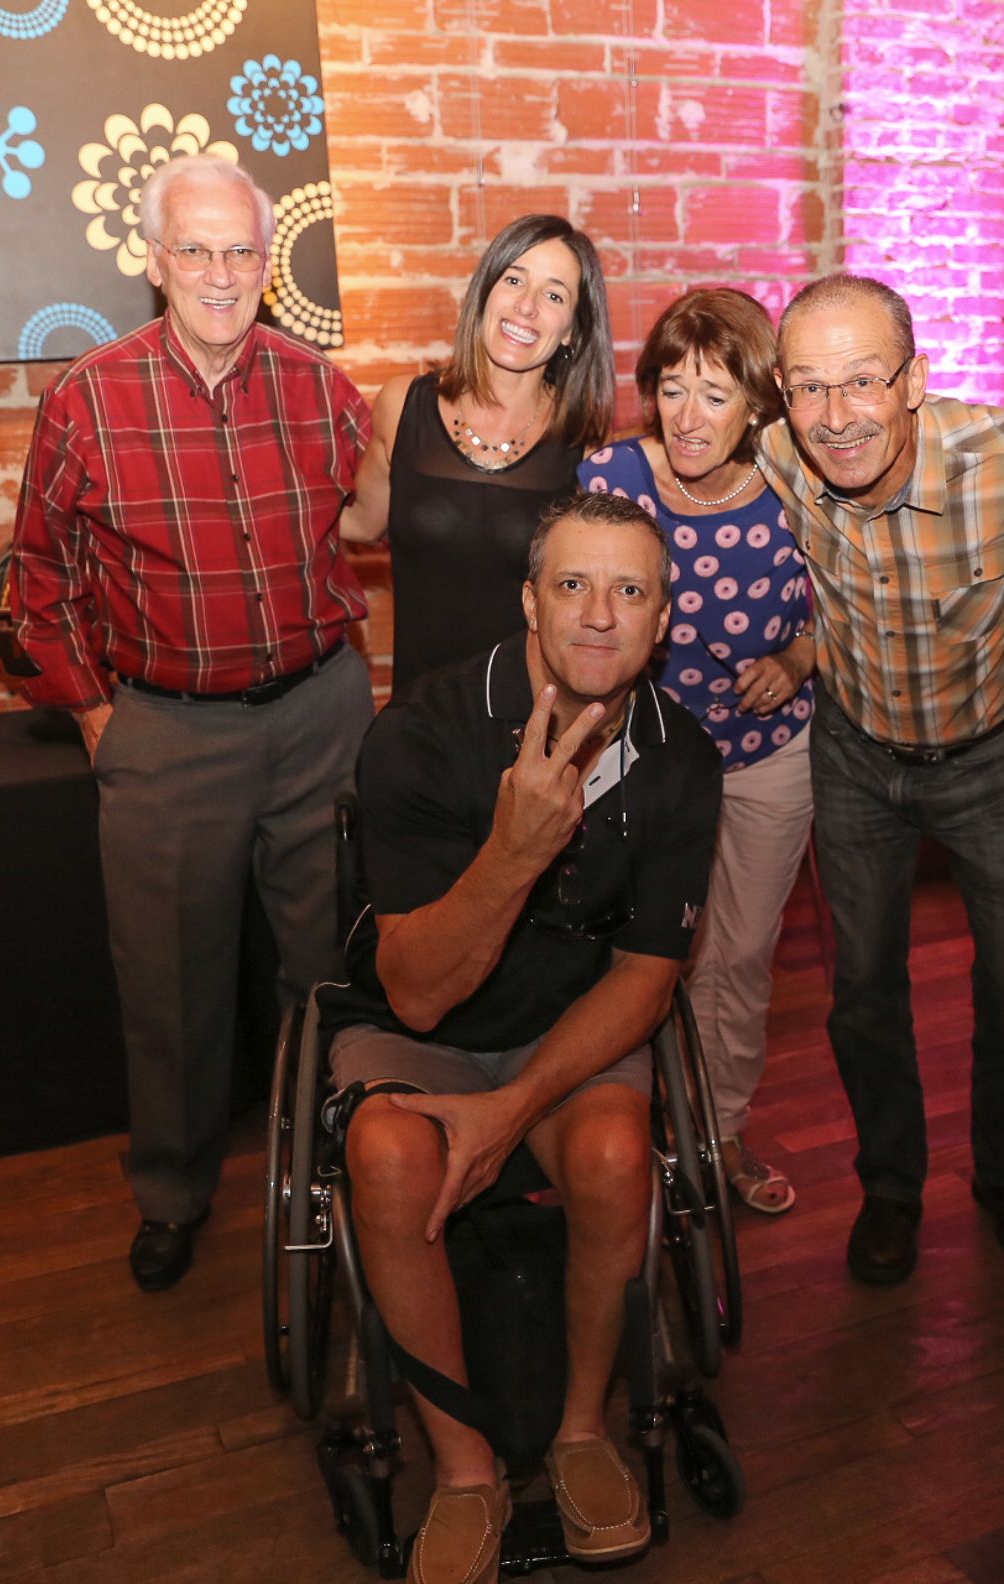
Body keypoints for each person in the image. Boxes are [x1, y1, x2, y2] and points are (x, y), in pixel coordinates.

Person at [318, 493, 723, 1578]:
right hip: (425, 1022)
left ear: (663, 620)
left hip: (569, 1023)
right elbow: (415, 997)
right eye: (574, 585)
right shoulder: (423, 732)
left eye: (630, 591)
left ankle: (582, 1429)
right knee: (387, 1158)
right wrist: (516, 849)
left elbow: (646, 979)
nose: (600, 614)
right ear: (531, 602)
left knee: (614, 1155)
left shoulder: (682, 755)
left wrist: (511, 1108)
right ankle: (464, 1472)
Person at [10, 154, 374, 1293]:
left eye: (241, 251)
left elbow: (380, 520)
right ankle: (172, 1191)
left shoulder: (322, 387)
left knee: (331, 965)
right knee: (170, 986)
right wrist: (93, 715)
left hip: (321, 718)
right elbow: (38, 579)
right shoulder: (87, 399)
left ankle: (336, 1166)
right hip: (165, 735)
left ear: (268, 264)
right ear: (155, 261)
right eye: (196, 250)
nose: (221, 273)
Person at [757, 274, 1004, 1283]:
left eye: (862, 380)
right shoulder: (779, 455)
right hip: (856, 761)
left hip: (995, 763)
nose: (836, 416)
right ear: (782, 394)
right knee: (863, 994)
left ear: (915, 380)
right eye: (808, 387)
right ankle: (890, 1187)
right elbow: (677, 458)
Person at [579, 288, 814, 1214]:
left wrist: (797, 659)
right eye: (671, 388)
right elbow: (576, 613)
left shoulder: (797, 485)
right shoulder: (614, 479)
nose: (687, 415)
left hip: (766, 753)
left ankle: (718, 1131)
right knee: (631, 952)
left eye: (714, 395)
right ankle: (616, 1134)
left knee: (738, 956)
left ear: (756, 404)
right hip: (642, 756)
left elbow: (852, 609)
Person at [340, 215, 614, 691]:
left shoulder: (583, 440)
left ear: (572, 330)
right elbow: (361, 523)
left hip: (530, 709)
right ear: (485, 292)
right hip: (419, 706)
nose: (526, 306)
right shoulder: (403, 405)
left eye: (553, 296)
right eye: (514, 280)